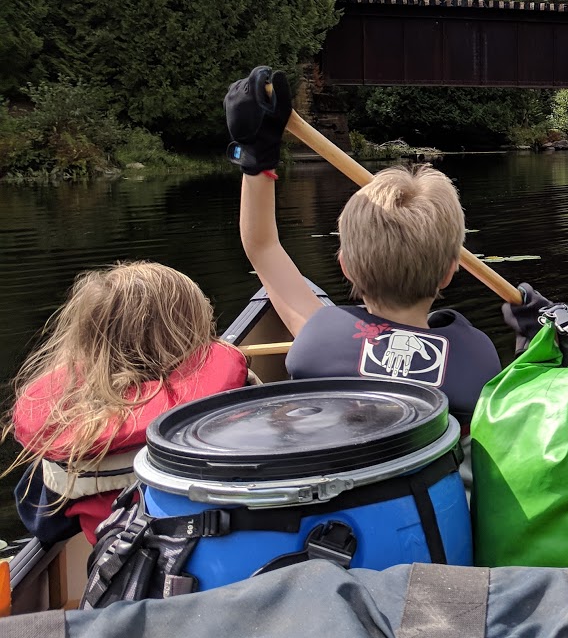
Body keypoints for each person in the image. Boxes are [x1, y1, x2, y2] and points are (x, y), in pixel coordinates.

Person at [226, 67, 501, 425]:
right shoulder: (477, 360)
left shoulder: (323, 340)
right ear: (451, 270)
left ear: (346, 266)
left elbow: (261, 246)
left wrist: (255, 155)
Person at [7, 262, 249, 543]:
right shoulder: (228, 397)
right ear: (192, 329)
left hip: (125, 570)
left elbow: (44, 525)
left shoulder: (74, 438)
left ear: (87, 339)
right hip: (221, 547)